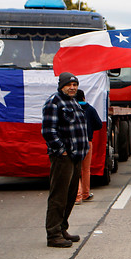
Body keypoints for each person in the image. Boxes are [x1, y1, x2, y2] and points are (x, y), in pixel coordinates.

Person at [42, 72, 89, 248]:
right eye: (69, 85)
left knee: (70, 196)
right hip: (63, 158)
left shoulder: (74, 102)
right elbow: (48, 131)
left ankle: (62, 228)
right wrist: (61, 151)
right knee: (59, 196)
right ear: (61, 86)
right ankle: (53, 234)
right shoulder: (54, 102)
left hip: (76, 156)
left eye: (75, 85)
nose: (72, 87)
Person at [75, 89, 103, 204]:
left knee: (75, 169)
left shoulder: (72, 108)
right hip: (88, 142)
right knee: (86, 169)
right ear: (84, 98)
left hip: (74, 142)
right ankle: (86, 194)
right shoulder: (90, 109)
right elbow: (99, 125)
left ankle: (77, 196)